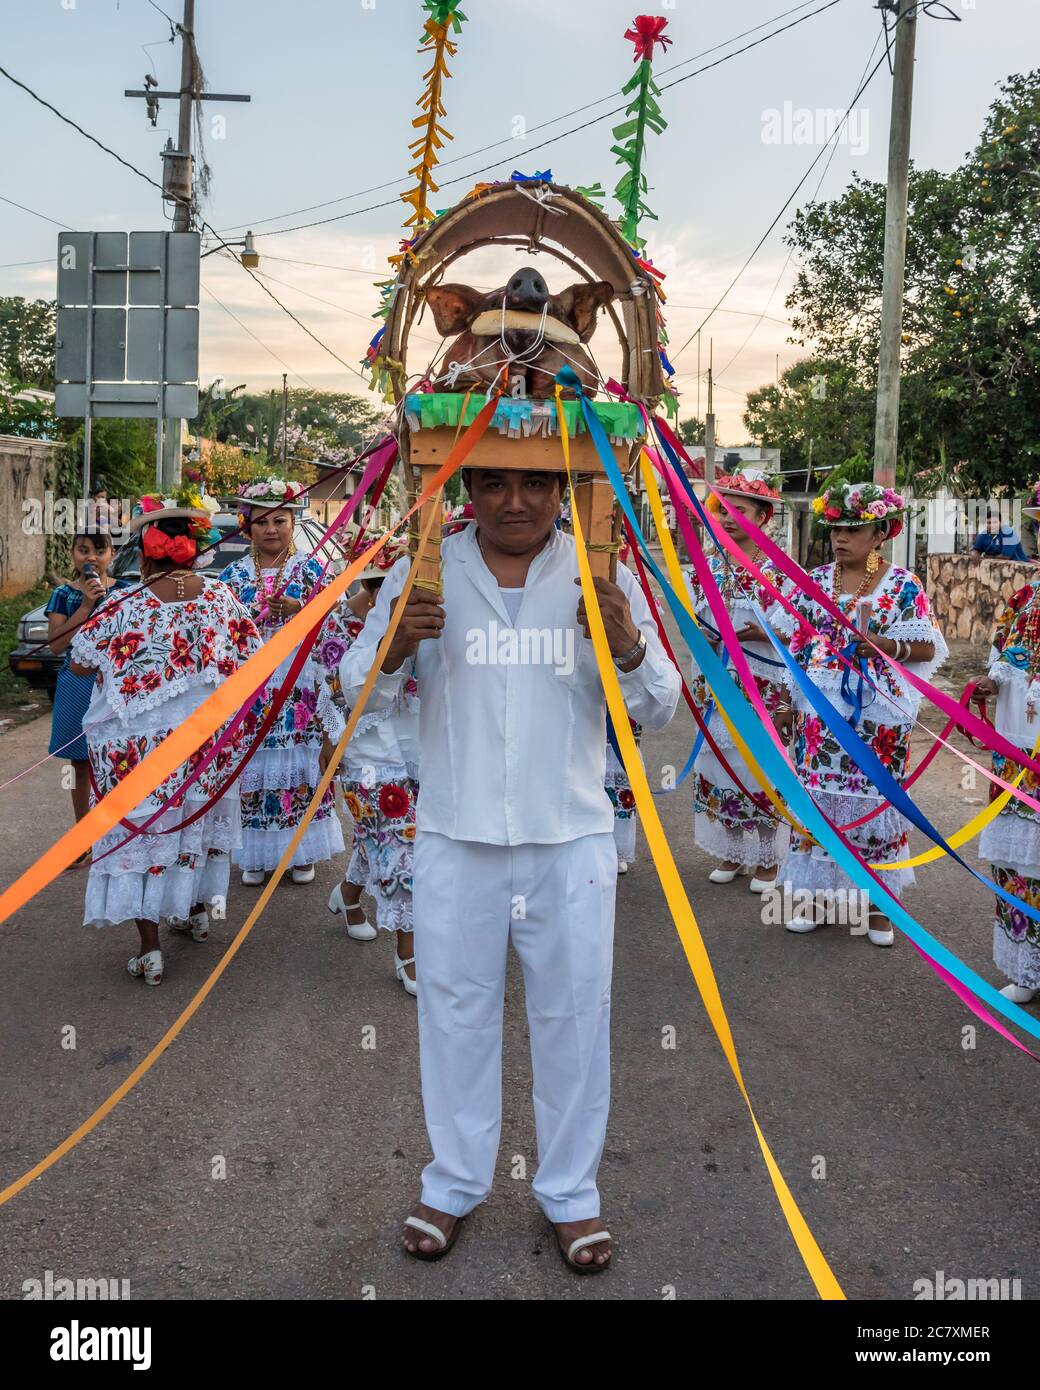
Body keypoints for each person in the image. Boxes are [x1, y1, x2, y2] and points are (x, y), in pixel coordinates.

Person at [341, 465, 680, 1272]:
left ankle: (571, 1194)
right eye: (493, 483)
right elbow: (355, 699)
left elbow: (660, 704)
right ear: (467, 492)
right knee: (454, 1014)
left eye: (536, 483)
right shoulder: (421, 569)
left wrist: (625, 643)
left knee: (572, 1018)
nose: (516, 501)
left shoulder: (601, 571)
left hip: (569, 840)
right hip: (455, 836)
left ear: (566, 490)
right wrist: (394, 649)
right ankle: (453, 1182)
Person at [68, 492, 263, 985]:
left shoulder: (123, 604)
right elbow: (253, 660)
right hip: (205, 747)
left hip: (136, 755)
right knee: (192, 825)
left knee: (148, 835)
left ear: (147, 548)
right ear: (195, 546)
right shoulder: (220, 598)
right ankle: (197, 915)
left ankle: (151, 951)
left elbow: (78, 663)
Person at [772, 481, 947, 945]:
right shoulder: (814, 582)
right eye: (836, 528)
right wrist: (788, 702)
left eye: (854, 528)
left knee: (873, 806)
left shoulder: (903, 585)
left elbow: (927, 647)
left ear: (880, 534)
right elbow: (797, 646)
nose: (841, 537)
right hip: (817, 710)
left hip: (878, 718)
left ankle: (878, 908)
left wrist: (887, 645)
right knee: (819, 802)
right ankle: (816, 899)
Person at [219, 478, 345, 886]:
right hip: (252, 683)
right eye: (262, 522)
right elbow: (222, 630)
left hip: (300, 682)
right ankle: (256, 855)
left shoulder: (312, 570)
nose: (271, 529)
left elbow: (338, 623)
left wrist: (300, 609)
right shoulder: (233, 575)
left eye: (280, 520)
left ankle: (300, 851)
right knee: (253, 761)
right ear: (247, 527)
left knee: (301, 762)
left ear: (294, 523)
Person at [683, 470, 790, 892]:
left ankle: (767, 855)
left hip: (761, 679)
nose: (727, 518)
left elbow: (797, 630)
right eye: (722, 510)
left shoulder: (780, 572)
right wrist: (702, 633)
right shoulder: (704, 567)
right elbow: (693, 615)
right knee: (718, 761)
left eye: (738, 511)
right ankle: (732, 850)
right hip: (714, 677)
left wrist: (761, 633)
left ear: (762, 518)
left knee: (757, 762)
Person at [324, 534, 420, 995]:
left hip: (420, 747)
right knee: (403, 850)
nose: (381, 591)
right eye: (374, 581)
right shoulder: (340, 626)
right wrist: (330, 744)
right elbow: (330, 692)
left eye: (391, 581)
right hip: (368, 755)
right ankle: (410, 953)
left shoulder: (432, 609)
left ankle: (347, 896)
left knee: (384, 841)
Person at [972, 551, 1040, 1003]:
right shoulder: (1024, 598)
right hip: (1017, 747)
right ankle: (1027, 966)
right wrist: (991, 684)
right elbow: (1004, 655)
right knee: (1019, 862)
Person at [46, 531, 130, 849]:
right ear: (72, 554)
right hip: (76, 682)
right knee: (81, 761)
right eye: (83, 550)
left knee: (117, 756)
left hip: (115, 682)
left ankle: (119, 831)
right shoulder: (63, 595)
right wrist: (85, 607)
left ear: (112, 555)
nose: (91, 557)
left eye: (99, 550)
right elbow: (56, 645)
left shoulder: (126, 592)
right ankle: (83, 837)